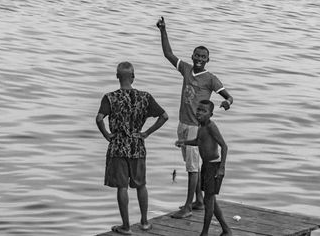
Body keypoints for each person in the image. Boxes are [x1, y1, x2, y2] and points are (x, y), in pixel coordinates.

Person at [156, 16, 234, 219]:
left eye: (203, 56)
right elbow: (168, 54)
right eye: (197, 55)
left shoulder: (211, 78)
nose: (199, 58)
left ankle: (188, 207)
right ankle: (199, 201)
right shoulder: (186, 69)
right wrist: (163, 30)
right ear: (192, 56)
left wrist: (225, 103)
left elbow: (229, 96)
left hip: (194, 127)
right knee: (191, 166)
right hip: (182, 123)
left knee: (192, 169)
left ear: (208, 60)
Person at [96, 62, 169, 235]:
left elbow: (99, 118)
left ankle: (126, 226)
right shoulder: (145, 97)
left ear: (117, 76)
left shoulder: (110, 97)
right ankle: (144, 222)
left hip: (118, 146)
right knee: (141, 184)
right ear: (133, 76)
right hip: (137, 145)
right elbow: (164, 116)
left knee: (122, 187)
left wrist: (107, 134)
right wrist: (146, 133)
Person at [176, 100, 232, 236]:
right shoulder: (201, 126)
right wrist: (184, 142)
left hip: (214, 165)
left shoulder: (211, 127)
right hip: (206, 165)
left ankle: (204, 233)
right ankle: (226, 230)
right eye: (198, 109)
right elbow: (198, 142)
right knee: (211, 200)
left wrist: (222, 168)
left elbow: (224, 146)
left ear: (211, 114)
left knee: (208, 202)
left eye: (204, 111)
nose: (199, 112)